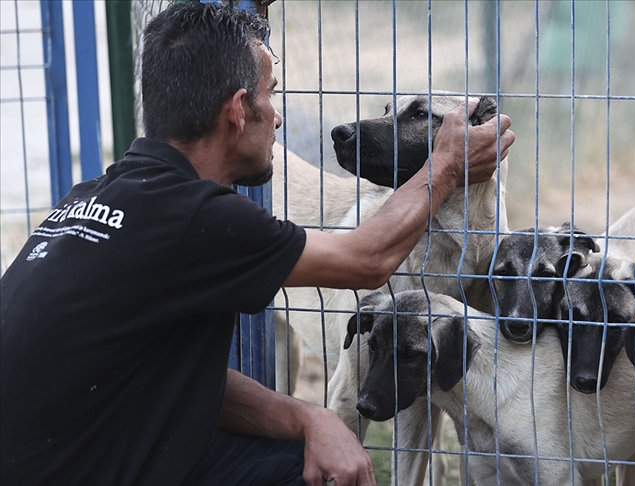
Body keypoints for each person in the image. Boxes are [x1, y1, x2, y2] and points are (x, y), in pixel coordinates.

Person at [0, 3, 514, 486]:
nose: (281, 116)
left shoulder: (94, 196)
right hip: (75, 468)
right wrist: (446, 164)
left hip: (70, 446)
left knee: (300, 455)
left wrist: (310, 418)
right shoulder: (198, 219)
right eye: (272, 95)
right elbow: (367, 259)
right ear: (237, 112)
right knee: (318, 473)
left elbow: (191, 384)